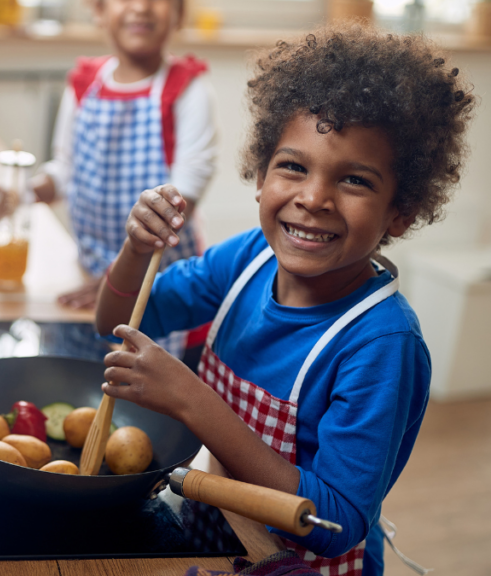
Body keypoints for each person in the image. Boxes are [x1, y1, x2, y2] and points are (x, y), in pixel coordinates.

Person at [94, 24, 474, 576]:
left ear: (402, 210)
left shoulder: (380, 344)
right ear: (261, 174)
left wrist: (191, 399)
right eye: (293, 166)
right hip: (219, 538)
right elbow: (113, 321)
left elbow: (335, 523)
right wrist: (135, 249)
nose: (313, 198)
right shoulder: (246, 258)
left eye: (355, 181)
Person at [0, 0, 217, 361]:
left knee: (146, 398)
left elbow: (184, 197)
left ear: (179, 13)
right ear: (98, 11)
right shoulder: (84, 84)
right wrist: (24, 192)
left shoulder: (187, 87)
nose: (141, 7)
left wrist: (118, 280)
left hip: (158, 284)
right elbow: (66, 170)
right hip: (86, 274)